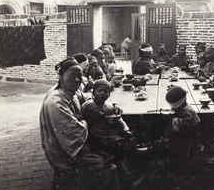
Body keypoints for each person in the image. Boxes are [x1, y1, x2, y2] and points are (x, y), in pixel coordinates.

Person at [40, 57, 121, 190]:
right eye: (73, 76)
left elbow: (87, 97)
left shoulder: (70, 91)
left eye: (79, 76)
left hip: (73, 144)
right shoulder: (56, 102)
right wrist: (88, 122)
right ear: (61, 76)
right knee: (107, 163)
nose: (77, 80)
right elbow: (72, 134)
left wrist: (111, 104)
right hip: (64, 153)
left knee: (109, 146)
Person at [135, 86, 201, 188]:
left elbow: (182, 126)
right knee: (163, 139)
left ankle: (145, 150)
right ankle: (144, 146)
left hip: (185, 145)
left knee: (165, 144)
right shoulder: (183, 109)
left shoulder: (188, 112)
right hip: (179, 139)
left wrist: (171, 119)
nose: (172, 108)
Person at [82, 79, 136, 160]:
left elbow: (119, 120)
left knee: (124, 142)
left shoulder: (110, 106)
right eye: (99, 91)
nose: (102, 93)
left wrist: (125, 131)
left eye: (105, 91)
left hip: (108, 134)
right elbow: (81, 119)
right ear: (93, 93)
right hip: (93, 135)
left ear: (109, 94)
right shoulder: (87, 105)